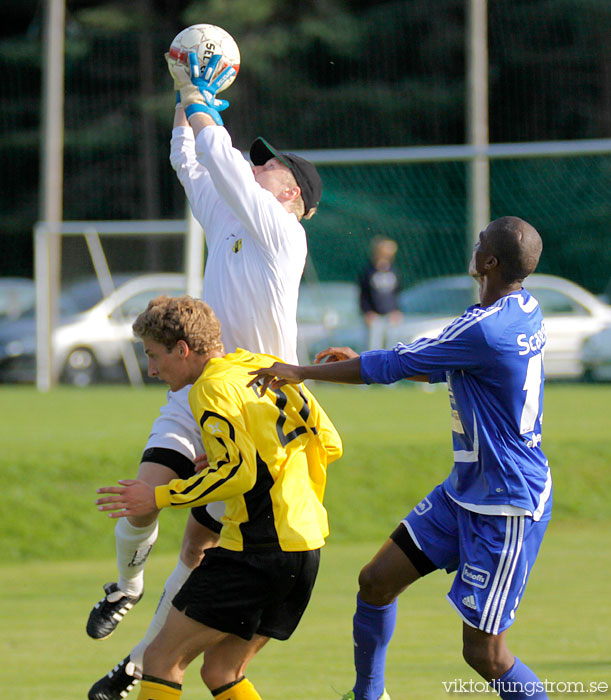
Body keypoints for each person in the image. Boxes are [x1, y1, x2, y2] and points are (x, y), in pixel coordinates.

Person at [86, 51, 324, 700]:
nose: (255, 165)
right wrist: (180, 97)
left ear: (290, 193)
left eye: (267, 164)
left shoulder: (280, 231)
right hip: (197, 389)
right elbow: (192, 163)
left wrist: (203, 100)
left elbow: (219, 158)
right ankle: (128, 587)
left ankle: (138, 666)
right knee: (143, 494)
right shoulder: (232, 217)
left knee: (199, 550)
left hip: (250, 408)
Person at [249, 217, 552, 700]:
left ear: (489, 262)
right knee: (375, 582)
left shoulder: (484, 329)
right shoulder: (522, 309)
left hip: (507, 504)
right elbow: (436, 362)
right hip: (466, 493)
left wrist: (300, 371)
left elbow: (400, 365)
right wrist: (367, 358)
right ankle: (368, 696)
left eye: (481, 242)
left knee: (485, 655)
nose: (474, 244)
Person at [95, 295, 342, 700]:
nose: (152, 368)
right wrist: (249, 453)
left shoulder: (209, 388)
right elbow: (329, 442)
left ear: (183, 349)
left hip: (258, 548)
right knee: (222, 670)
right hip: (307, 545)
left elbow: (238, 474)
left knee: (160, 662)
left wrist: (157, 496)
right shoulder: (259, 366)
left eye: (154, 355)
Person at [358, 236, 402, 350]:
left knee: (392, 346)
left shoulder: (393, 270)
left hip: (390, 315)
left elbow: (396, 293)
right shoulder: (369, 271)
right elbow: (363, 294)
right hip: (375, 315)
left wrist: (397, 310)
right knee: (373, 346)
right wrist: (367, 312)